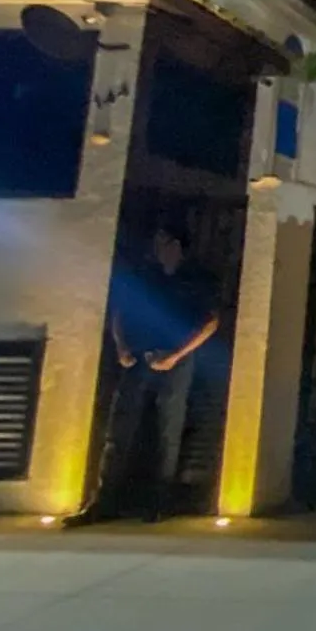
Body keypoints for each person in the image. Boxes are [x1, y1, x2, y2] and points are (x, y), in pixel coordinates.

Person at [88, 223, 219, 522]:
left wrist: (177, 355)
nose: (157, 249)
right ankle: (106, 499)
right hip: (137, 358)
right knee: (120, 428)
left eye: (163, 243)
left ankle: (157, 502)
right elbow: (120, 312)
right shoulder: (147, 275)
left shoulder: (194, 279)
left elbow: (210, 323)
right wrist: (121, 347)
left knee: (167, 432)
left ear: (177, 246)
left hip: (173, 361)